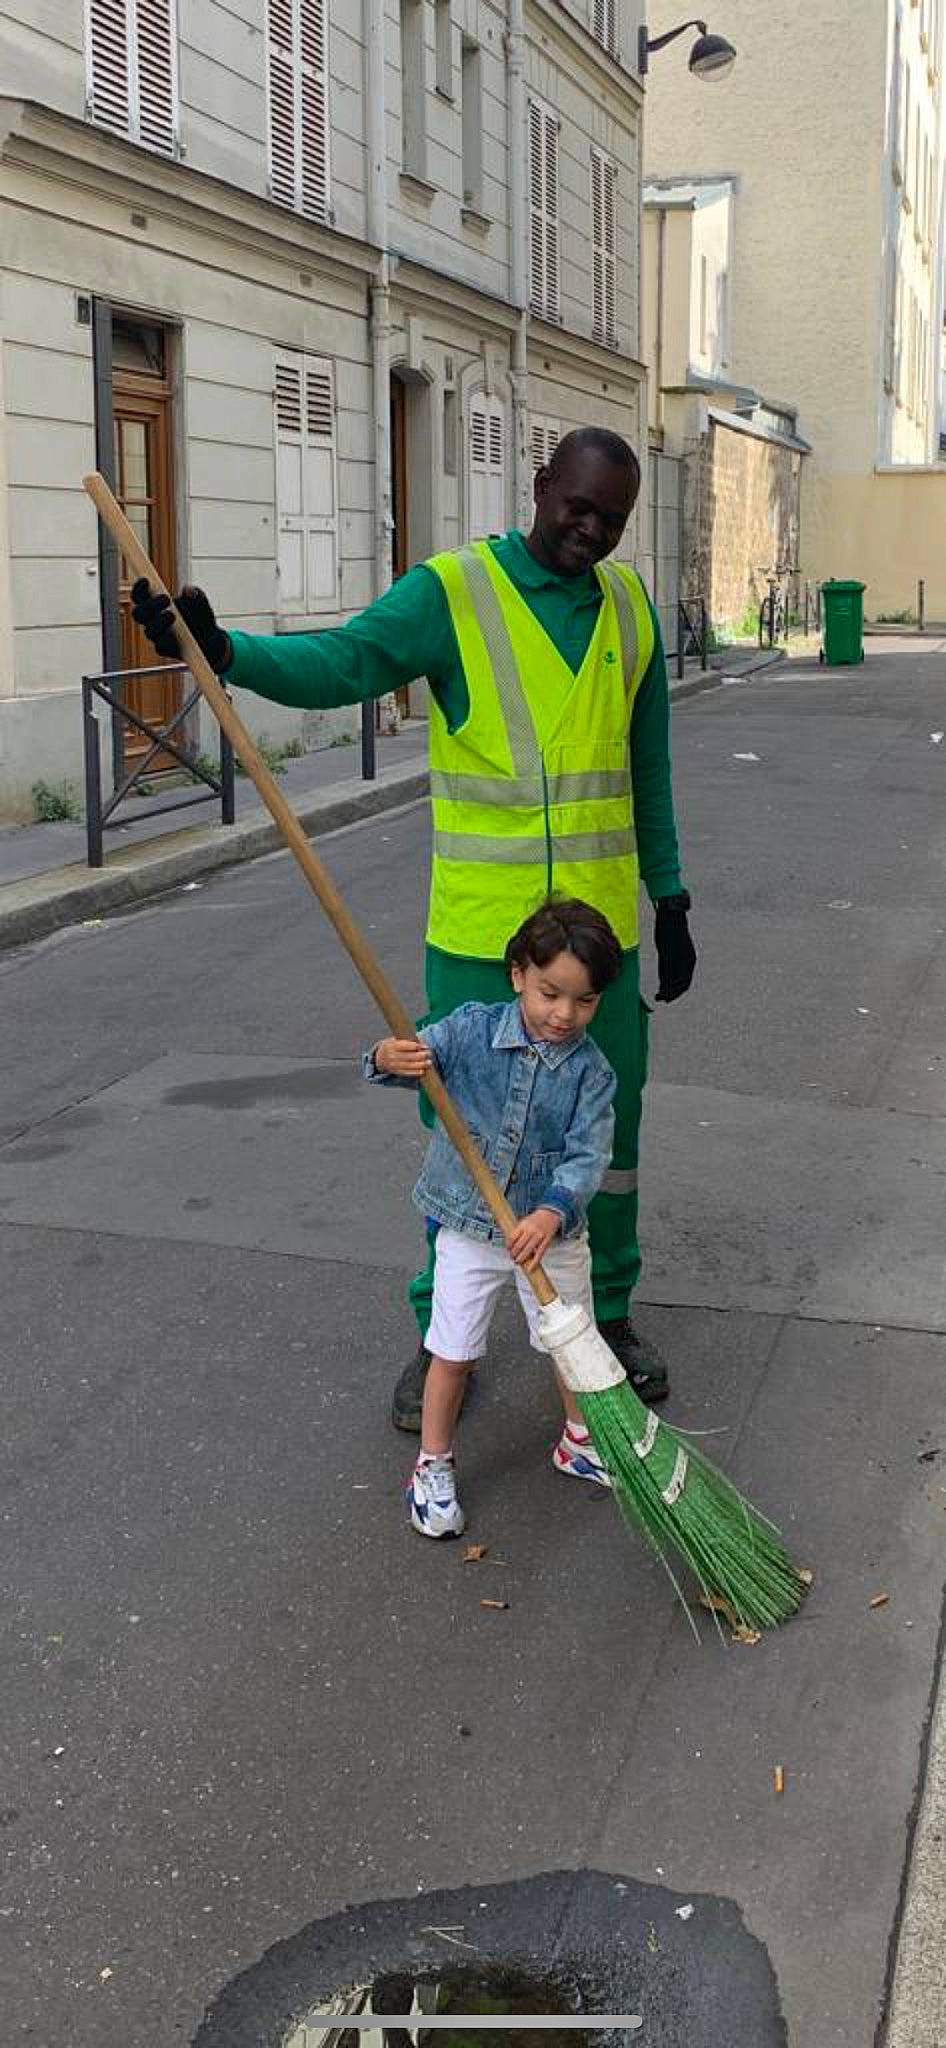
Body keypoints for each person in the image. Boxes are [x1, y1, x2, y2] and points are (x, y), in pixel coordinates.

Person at [131, 423, 696, 1427]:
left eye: (612, 517)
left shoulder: (630, 610)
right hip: (483, 947)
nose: (591, 529)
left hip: (600, 946)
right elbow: (345, 660)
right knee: (466, 1148)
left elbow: (644, 764)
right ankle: (447, 1333)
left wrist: (672, 893)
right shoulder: (454, 592)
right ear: (538, 487)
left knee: (604, 1140)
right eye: (577, 506)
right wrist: (220, 652)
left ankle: (602, 1312)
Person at [365, 898, 622, 1537]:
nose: (564, 1014)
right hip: (468, 1228)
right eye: (549, 992)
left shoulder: (593, 1074)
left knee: (571, 1344)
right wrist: (386, 1059)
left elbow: (589, 1158)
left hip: (549, 1235)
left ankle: (580, 1439)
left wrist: (550, 1213)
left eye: (584, 1001)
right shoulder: (470, 1031)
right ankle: (432, 1464)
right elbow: (412, 1060)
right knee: (450, 1351)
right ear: (517, 975)